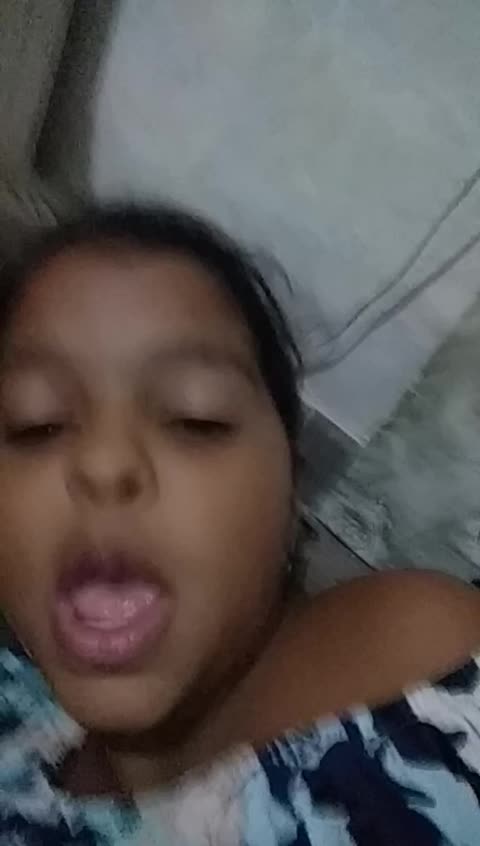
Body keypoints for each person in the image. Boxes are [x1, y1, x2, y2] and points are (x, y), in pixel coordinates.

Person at [0, 204, 480, 846]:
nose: (103, 463)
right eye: (36, 424)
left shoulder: (418, 668)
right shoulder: (16, 714)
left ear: (291, 491)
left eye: (195, 419)